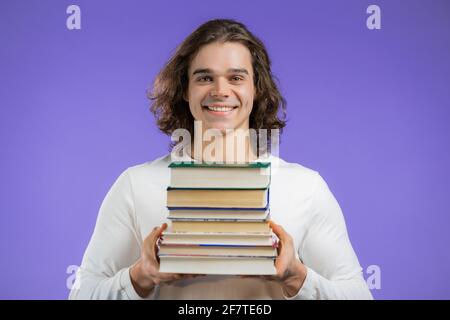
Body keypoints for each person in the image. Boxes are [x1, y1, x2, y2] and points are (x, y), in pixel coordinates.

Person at [69, 19, 373, 300]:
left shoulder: (305, 187)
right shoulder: (135, 185)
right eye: (205, 77)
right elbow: (81, 295)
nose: (220, 91)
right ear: (185, 90)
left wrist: (297, 276)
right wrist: (140, 276)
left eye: (236, 77)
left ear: (256, 89)